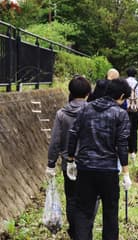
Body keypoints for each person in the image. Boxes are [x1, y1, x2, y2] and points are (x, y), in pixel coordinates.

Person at [67, 78, 132, 240]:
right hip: (108, 171)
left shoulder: (86, 109)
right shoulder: (120, 114)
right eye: (125, 99)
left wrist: (70, 159)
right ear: (122, 95)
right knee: (110, 214)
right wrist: (125, 173)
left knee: (83, 212)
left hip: (85, 168)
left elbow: (73, 133)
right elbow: (122, 145)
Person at [45, 75, 92, 239]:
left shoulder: (62, 114)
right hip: (89, 162)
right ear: (88, 93)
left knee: (71, 199)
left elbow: (55, 141)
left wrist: (51, 164)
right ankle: (85, 231)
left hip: (68, 164)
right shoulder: (92, 111)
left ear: (70, 91)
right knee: (88, 198)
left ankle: (74, 231)